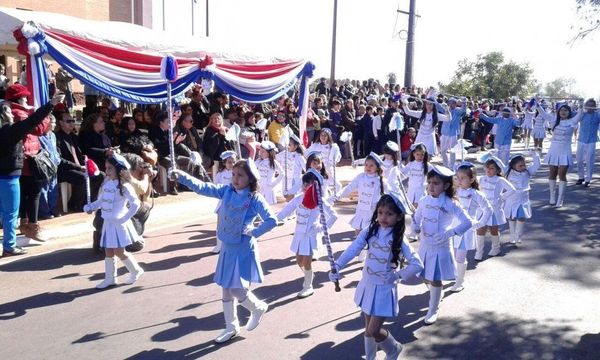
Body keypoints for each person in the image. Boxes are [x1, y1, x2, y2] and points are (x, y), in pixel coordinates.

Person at [171, 159, 278, 344]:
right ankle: (231, 326)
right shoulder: (226, 191)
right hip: (227, 247)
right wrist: (182, 177)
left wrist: (253, 231)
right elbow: (203, 187)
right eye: (234, 174)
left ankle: (257, 307)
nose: (235, 179)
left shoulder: (254, 198)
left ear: (251, 178)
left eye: (240, 175)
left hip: (242, 248)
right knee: (226, 289)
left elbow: (271, 220)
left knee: (235, 288)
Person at [329, 193, 423, 360]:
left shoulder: (399, 238)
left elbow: (417, 264)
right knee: (367, 327)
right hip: (367, 284)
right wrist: (338, 265)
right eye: (380, 212)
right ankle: (370, 357)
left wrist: (397, 276)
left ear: (399, 216)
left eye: (389, 213)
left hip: (384, 289)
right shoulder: (370, 230)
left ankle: (394, 349)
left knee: (374, 330)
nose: (383, 217)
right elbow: (353, 248)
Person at [412, 165, 473, 325]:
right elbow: (417, 217)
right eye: (429, 182)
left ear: (446, 185)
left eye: (436, 183)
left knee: (436, 279)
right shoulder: (424, 200)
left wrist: (449, 233)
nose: (431, 186)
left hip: (441, 246)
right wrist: (415, 227)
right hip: (425, 245)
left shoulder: (451, 203)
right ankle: (435, 294)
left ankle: (433, 309)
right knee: (425, 276)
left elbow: (468, 222)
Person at [1, 99, 55, 256]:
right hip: (8, 177)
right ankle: (9, 247)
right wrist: (49, 105)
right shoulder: (9, 131)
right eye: (9, 112)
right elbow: (32, 121)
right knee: (10, 213)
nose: (12, 114)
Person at [83, 153, 144, 289]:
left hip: (118, 224)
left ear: (119, 169)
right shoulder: (107, 184)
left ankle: (135, 270)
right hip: (108, 223)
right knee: (108, 251)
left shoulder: (125, 186)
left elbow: (135, 204)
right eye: (106, 168)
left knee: (119, 251)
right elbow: (101, 201)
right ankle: (110, 278)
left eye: (110, 168)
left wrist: (124, 218)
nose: (107, 171)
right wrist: (91, 207)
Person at [277, 169, 338, 298]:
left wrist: (320, 228)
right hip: (299, 235)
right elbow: (286, 210)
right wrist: (275, 219)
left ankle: (308, 286)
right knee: (299, 262)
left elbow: (334, 216)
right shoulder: (299, 198)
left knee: (307, 262)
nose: (306, 187)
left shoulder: (320, 201)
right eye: (305, 184)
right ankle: (309, 274)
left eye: (309, 184)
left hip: (310, 236)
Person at [452, 162, 492, 292]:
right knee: (452, 254)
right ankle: (455, 276)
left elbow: (488, 210)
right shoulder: (454, 191)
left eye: (463, 178)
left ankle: (459, 281)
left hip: (466, 230)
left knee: (460, 256)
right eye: (457, 177)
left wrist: (479, 223)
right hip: (452, 228)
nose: (459, 180)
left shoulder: (476, 194)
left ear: (472, 179)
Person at [537, 101, 583, 207]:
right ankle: (552, 197)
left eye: (565, 110)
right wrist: (537, 103)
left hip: (565, 150)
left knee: (562, 173)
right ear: (558, 112)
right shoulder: (553, 120)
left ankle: (560, 199)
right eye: (561, 110)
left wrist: (581, 105)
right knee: (552, 173)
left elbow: (580, 113)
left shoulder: (572, 121)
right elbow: (543, 113)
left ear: (569, 112)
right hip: (554, 150)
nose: (563, 112)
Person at [55, 111, 103, 212]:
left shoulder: (73, 136)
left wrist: (84, 160)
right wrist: (78, 167)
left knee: (100, 175)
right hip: (65, 169)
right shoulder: (57, 137)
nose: (72, 123)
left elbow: (79, 153)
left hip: (79, 166)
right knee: (83, 177)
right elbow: (59, 159)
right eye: (68, 121)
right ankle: (75, 204)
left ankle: (90, 202)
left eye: (72, 120)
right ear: (61, 123)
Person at [476, 155, 516, 260]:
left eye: (492, 168)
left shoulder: (500, 180)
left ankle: (496, 248)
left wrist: (501, 198)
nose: (488, 170)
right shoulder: (481, 179)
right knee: (480, 229)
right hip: (483, 208)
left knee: (493, 229)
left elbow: (512, 190)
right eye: (487, 168)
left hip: (494, 209)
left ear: (497, 169)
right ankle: (479, 251)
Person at [504, 151, 540, 245]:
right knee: (512, 217)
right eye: (520, 166)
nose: (523, 167)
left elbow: (536, 165)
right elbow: (499, 165)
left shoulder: (527, 172)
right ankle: (512, 234)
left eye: (524, 165)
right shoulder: (508, 173)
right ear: (513, 166)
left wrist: (535, 155)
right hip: (512, 199)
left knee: (521, 217)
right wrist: (495, 156)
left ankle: (518, 235)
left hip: (523, 199)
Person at [212, 150, 237, 254]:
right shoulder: (220, 174)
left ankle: (232, 243)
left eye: (234, 162)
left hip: (235, 201)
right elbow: (215, 185)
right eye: (229, 162)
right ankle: (219, 245)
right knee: (220, 224)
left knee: (233, 224)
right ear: (224, 163)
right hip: (223, 202)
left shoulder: (238, 173)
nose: (232, 164)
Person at [38, 114, 61, 219]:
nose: (54, 125)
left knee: (53, 189)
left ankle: (53, 208)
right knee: (44, 189)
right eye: (52, 122)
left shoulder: (52, 135)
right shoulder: (39, 136)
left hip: (54, 165)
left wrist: (57, 160)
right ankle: (45, 211)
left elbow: (55, 150)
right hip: (45, 166)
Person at [307, 129, 342, 193]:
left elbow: (337, 157)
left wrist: (334, 161)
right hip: (318, 169)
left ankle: (333, 197)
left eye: (325, 135)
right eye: (321, 135)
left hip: (328, 170)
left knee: (338, 186)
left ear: (328, 136)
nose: (323, 137)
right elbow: (307, 153)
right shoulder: (315, 145)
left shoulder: (333, 147)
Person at [575, 98, 600, 187]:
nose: (590, 107)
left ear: (595, 106)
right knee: (579, 159)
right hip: (581, 140)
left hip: (592, 141)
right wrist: (581, 106)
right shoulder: (583, 114)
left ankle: (588, 179)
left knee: (589, 160)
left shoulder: (597, 115)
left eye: (592, 105)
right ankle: (581, 177)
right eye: (588, 105)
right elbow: (576, 118)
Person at [202, 112, 233, 181]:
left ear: (221, 120)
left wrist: (224, 135)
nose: (216, 120)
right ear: (211, 120)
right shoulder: (209, 130)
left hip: (224, 153)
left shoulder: (225, 130)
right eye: (214, 118)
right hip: (214, 154)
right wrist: (220, 135)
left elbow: (230, 144)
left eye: (218, 118)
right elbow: (210, 143)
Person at [276, 133, 305, 199]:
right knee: (285, 196)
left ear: (295, 146)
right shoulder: (284, 153)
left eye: (289, 145)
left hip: (294, 180)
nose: (287, 146)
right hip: (285, 179)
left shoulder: (299, 156)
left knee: (293, 197)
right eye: (287, 144)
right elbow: (275, 159)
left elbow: (306, 168)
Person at [399, 143, 429, 208]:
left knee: (419, 206)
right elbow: (403, 173)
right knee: (411, 206)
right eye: (417, 154)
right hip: (411, 189)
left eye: (422, 155)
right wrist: (399, 166)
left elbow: (434, 173)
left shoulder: (426, 165)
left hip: (420, 190)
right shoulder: (411, 164)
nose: (419, 157)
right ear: (414, 154)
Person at [440, 98, 468, 168]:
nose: (452, 104)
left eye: (453, 103)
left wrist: (464, 102)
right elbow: (438, 107)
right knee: (443, 151)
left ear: (456, 104)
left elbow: (463, 110)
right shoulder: (446, 109)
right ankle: (445, 165)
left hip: (453, 133)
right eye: (450, 103)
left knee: (453, 151)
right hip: (444, 133)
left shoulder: (458, 110)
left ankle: (452, 165)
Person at [255, 141, 284, 205]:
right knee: (260, 203)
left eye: (263, 152)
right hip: (260, 186)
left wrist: (273, 183)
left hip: (269, 187)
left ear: (269, 153)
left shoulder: (273, 162)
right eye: (260, 151)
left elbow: (282, 173)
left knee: (270, 204)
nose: (260, 153)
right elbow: (252, 168)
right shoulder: (259, 161)